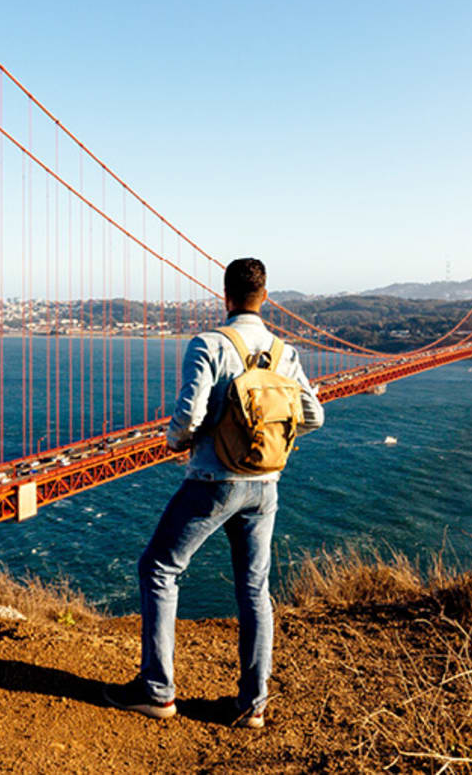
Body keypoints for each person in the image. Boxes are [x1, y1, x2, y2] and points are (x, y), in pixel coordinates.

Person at [104, 257, 325, 728]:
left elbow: (187, 416)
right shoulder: (286, 353)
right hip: (266, 487)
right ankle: (253, 705)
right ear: (264, 298)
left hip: (213, 482)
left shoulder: (208, 343)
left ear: (224, 297)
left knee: (159, 568)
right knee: (254, 588)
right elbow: (313, 416)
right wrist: (274, 441)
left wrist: (179, 444)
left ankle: (157, 691)